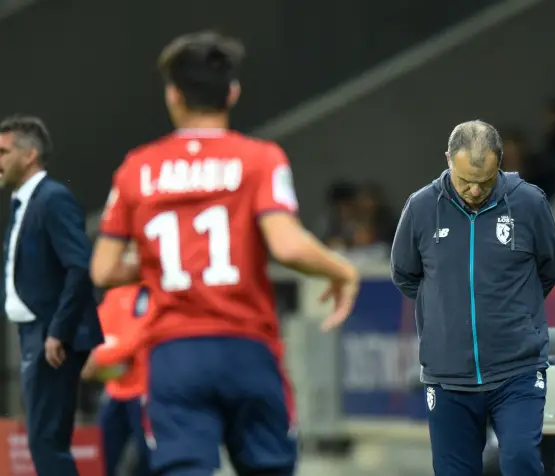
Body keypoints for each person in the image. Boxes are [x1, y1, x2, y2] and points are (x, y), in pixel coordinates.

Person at [90, 31, 360, 476]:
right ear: (232, 92)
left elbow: (102, 269)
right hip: (246, 347)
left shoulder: (136, 167)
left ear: (173, 95)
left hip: (173, 354)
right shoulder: (259, 159)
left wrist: (162, 263)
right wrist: (341, 270)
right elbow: (287, 244)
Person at [390, 120, 555, 476]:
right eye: (465, 179)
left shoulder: (529, 203)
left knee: (521, 462)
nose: (473, 190)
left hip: (518, 369)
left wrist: (513, 310)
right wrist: (443, 309)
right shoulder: (421, 207)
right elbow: (405, 274)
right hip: (447, 375)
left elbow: (549, 269)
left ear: (499, 162)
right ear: (448, 160)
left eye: (484, 181)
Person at [0, 116, 103, 475]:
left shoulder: (53, 198)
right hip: (35, 332)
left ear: (29, 155)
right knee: (43, 440)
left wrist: (58, 330)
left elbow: (79, 267)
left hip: (52, 334)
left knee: (47, 441)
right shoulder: (24, 203)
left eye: (2, 152)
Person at [81, 282, 152, 476]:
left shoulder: (149, 293)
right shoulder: (114, 295)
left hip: (144, 391)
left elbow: (138, 338)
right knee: (102, 458)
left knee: (148, 457)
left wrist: (98, 357)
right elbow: (96, 333)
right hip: (115, 391)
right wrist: (96, 356)